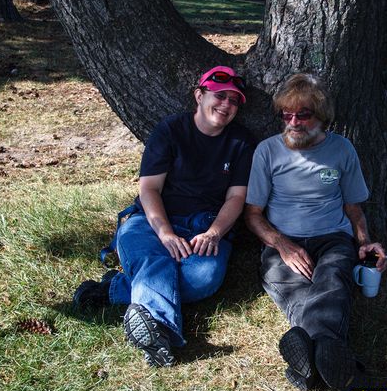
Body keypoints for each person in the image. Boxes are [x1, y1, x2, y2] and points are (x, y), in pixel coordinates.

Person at [73, 66, 255, 367]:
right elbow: (149, 189)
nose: (226, 105)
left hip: (205, 224)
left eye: (234, 101)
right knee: (153, 260)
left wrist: (214, 232)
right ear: (199, 95)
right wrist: (166, 234)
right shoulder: (170, 130)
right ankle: (162, 334)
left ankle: (116, 288)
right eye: (219, 96)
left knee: (203, 277)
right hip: (151, 220)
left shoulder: (241, 142)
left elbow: (236, 197)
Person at [244, 73, 387, 391]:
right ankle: (338, 362)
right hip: (283, 241)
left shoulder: (342, 149)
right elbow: (252, 214)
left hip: (333, 238)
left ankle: (309, 361)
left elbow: (354, 207)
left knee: (333, 280)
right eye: (286, 115)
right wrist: (282, 244)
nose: (293, 122)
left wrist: (364, 242)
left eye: (303, 115)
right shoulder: (268, 151)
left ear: (322, 117)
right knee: (294, 290)